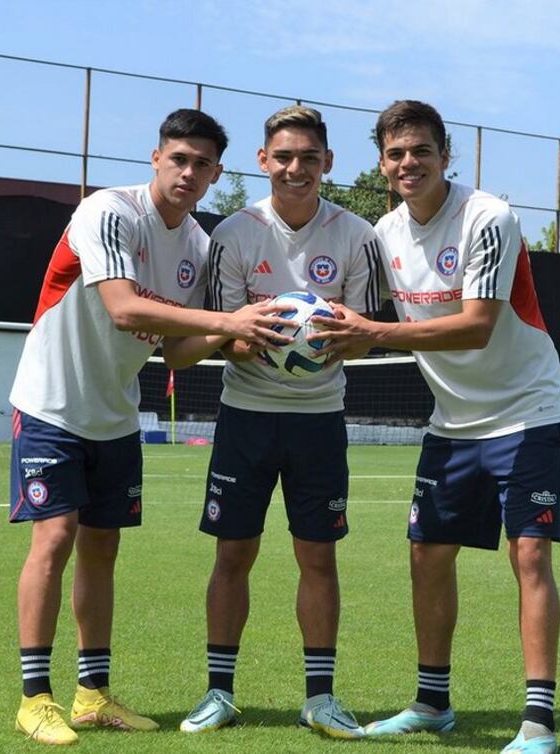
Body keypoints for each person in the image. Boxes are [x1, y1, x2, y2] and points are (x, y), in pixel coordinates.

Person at [9, 108, 293, 746]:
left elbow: (177, 350)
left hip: (114, 414)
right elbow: (122, 307)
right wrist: (230, 323)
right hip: (52, 402)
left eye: (202, 165)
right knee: (54, 540)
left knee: (102, 550)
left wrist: (240, 340)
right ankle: (34, 698)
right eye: (179, 160)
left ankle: (92, 694)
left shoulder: (197, 245)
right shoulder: (108, 211)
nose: (189, 173)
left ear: (219, 173)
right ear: (156, 158)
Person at [310, 100, 560, 754]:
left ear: (445, 155)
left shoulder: (488, 218)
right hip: (453, 423)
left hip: (526, 409)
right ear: (381, 164)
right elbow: (358, 317)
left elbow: (477, 324)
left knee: (529, 554)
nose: (408, 163)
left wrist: (372, 331)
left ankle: (538, 721)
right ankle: (432, 702)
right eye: (396, 153)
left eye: (421, 151)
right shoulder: (384, 233)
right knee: (427, 554)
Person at [179, 105, 382, 739]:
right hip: (245, 416)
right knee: (232, 552)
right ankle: (219, 692)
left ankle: (320, 698)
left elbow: (367, 335)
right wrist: (258, 338)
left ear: (328, 163)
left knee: (317, 558)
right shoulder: (233, 235)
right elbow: (218, 334)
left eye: (309, 157)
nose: (296, 168)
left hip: (320, 420)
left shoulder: (358, 236)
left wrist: (326, 339)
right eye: (283, 157)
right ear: (263, 162)